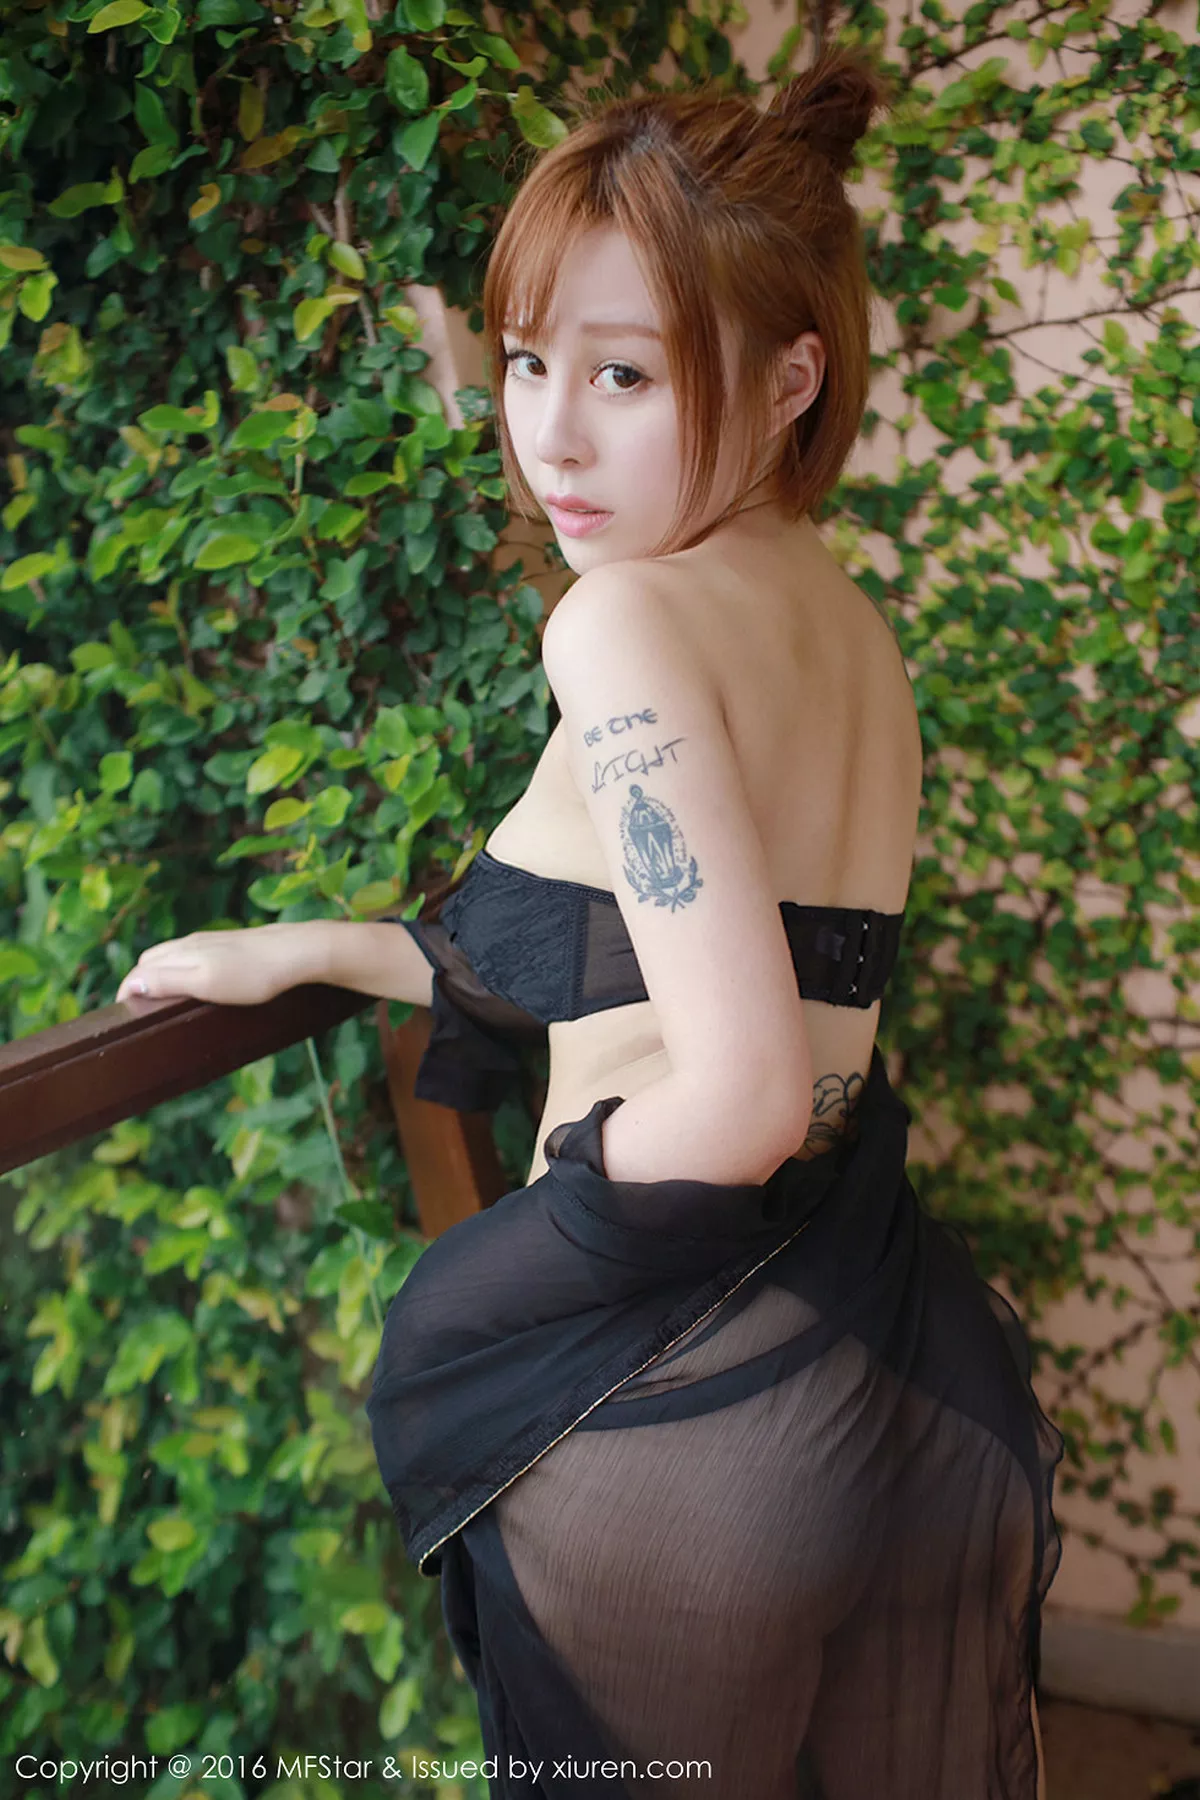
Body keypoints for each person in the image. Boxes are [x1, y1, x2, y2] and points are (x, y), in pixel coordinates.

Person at [117, 47, 1063, 1798]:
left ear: (793, 377)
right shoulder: (846, 628)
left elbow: (740, 1091)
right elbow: (663, 945)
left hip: (674, 1414)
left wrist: (489, 1279)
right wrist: (325, 948)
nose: (547, 432)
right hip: (865, 1369)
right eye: (527, 361)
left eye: (622, 373)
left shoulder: (624, 623)